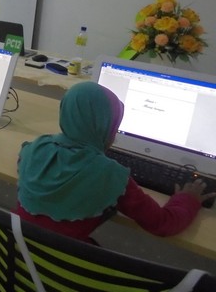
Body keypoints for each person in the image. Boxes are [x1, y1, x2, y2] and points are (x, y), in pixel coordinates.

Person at [15, 81, 216, 243]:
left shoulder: (34, 149)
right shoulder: (110, 175)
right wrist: (188, 199)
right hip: (63, 267)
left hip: (17, 254)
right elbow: (162, 224)